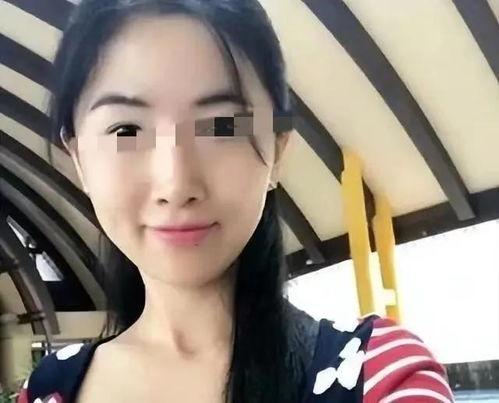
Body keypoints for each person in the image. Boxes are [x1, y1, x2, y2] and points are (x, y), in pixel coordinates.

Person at [16, 0, 454, 402]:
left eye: (222, 126)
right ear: (78, 158)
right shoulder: (48, 389)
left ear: (277, 150)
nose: (176, 184)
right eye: (126, 130)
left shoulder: (379, 377)